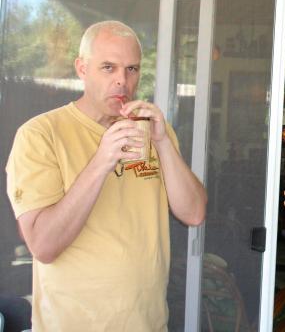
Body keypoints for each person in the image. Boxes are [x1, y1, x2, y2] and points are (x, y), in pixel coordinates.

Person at [5, 20, 207, 331]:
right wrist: (102, 160)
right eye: (108, 67)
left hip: (148, 323)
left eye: (131, 69)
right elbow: (43, 245)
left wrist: (163, 141)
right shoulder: (40, 134)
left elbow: (194, 213)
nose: (122, 81)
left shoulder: (152, 130)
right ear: (82, 68)